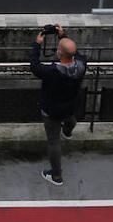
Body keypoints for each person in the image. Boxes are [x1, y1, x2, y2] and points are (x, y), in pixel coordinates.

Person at [30, 24, 86, 186]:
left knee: (53, 141)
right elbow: (77, 54)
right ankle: (68, 131)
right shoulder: (81, 66)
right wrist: (63, 36)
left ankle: (56, 175)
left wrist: (37, 44)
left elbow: (34, 66)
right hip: (70, 104)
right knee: (70, 117)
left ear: (59, 52)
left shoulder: (52, 72)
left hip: (52, 109)